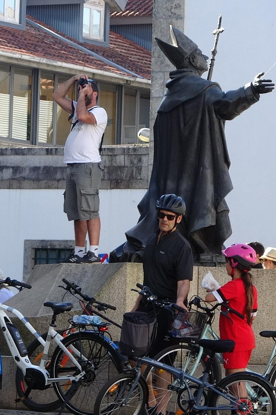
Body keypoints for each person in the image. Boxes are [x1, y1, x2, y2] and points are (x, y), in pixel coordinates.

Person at [113, 26, 274, 264]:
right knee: (202, 206)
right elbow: (226, 105)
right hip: (197, 172)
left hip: (171, 176)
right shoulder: (202, 90)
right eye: (199, 53)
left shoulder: (170, 98)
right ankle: (204, 248)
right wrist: (250, 90)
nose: (205, 57)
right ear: (190, 59)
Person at [130, 194, 193, 415]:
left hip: (168, 310)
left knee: (163, 363)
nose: (163, 219)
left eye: (169, 216)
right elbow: (148, 277)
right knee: (133, 354)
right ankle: (150, 398)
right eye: (161, 215)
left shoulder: (182, 246)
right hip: (148, 306)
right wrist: (136, 304)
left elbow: (183, 280)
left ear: (178, 219)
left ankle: (162, 411)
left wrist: (178, 302)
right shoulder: (151, 240)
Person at [53, 75, 107, 264]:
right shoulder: (77, 109)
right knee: (76, 211)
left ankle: (93, 250)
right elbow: (57, 96)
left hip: (88, 166)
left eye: (86, 88)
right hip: (73, 165)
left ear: (95, 93)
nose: (82, 89)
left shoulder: (99, 112)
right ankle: (79, 251)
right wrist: (74, 79)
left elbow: (84, 117)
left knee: (90, 209)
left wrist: (84, 95)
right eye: (81, 88)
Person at [205, 244, 258, 379]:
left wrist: (212, 289)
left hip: (235, 341)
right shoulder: (251, 288)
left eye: (226, 262)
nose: (225, 266)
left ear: (234, 263)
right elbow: (252, 315)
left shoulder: (234, 285)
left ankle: (245, 401)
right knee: (231, 382)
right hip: (244, 339)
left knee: (237, 383)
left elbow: (209, 298)